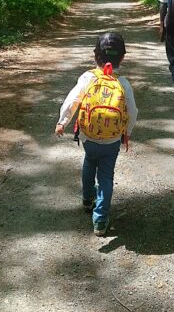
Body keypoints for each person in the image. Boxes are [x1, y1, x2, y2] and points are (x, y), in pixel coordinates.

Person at [54, 31, 138, 237]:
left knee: (89, 162)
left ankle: (87, 198)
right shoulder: (123, 83)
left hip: (88, 136)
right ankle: (100, 220)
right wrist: (126, 132)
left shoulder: (88, 77)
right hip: (111, 140)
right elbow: (133, 111)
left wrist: (62, 122)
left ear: (96, 55)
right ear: (122, 58)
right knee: (106, 176)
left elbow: (72, 100)